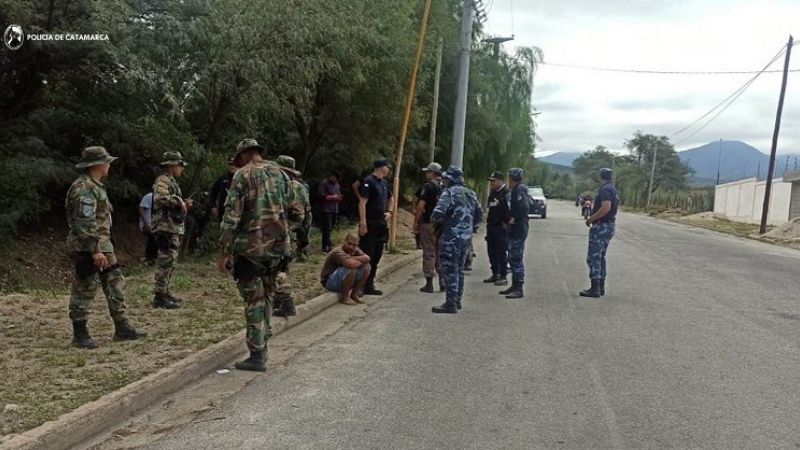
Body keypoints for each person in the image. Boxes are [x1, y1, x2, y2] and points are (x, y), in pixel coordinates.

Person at [217, 138, 304, 372]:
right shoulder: (282, 174)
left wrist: (224, 251)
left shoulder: (242, 176)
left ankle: (257, 354)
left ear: (243, 155)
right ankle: (263, 344)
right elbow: (298, 212)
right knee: (267, 296)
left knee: (254, 300)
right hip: (278, 250)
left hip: (250, 249)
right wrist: (282, 231)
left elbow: (231, 217)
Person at [65, 146, 147, 348]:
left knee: (115, 283)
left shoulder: (96, 186)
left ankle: (122, 326)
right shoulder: (84, 188)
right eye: (107, 162)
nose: (109, 165)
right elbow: (84, 222)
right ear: (99, 164)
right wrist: (95, 250)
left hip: (103, 246)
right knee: (85, 287)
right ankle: (80, 333)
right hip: (88, 247)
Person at [430, 167, 481, 314]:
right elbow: (479, 214)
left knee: (449, 269)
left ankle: (450, 303)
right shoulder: (471, 193)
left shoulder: (449, 192)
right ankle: (457, 300)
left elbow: (438, 212)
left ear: (450, 179)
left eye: (446, 178)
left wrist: (437, 223)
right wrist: (472, 228)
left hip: (450, 236)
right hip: (466, 238)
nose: (444, 181)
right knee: (459, 269)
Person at [151, 151, 193, 309]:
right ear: (171, 165)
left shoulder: (171, 181)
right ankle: (159, 295)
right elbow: (160, 198)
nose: (181, 168)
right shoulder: (162, 180)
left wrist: (183, 205)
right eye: (179, 164)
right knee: (166, 260)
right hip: (164, 227)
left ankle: (165, 291)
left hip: (171, 226)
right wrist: (178, 201)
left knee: (170, 260)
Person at [272, 155, 312, 318]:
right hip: (288, 233)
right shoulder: (300, 187)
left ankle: (286, 302)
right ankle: (279, 302)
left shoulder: (277, 185)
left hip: (275, 233)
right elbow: (303, 213)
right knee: (283, 268)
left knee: (276, 270)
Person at [580, 168, 619, 298]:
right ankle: (600, 286)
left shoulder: (605, 190)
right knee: (600, 256)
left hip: (602, 225)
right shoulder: (612, 188)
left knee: (594, 257)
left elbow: (606, 207)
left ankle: (595, 288)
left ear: (601, 176)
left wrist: (591, 219)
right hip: (609, 225)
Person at [358, 157, 393, 296]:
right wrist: (363, 222)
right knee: (367, 254)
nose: (388, 169)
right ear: (381, 167)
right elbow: (362, 203)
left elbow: (391, 198)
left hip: (381, 224)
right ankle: (359, 285)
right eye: (387, 167)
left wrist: (389, 212)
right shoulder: (369, 182)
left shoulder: (384, 183)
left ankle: (369, 284)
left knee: (377, 255)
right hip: (370, 223)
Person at [499, 167, 529, 299]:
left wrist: (514, 218)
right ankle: (514, 285)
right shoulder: (515, 190)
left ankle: (518, 288)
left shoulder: (519, 190)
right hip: (515, 230)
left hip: (518, 229)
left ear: (511, 178)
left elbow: (524, 206)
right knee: (512, 257)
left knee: (516, 259)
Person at [320, 232, 371, 305]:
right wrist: (358, 261)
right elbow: (351, 265)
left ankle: (354, 294)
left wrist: (351, 258)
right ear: (344, 241)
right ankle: (345, 297)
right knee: (350, 268)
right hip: (329, 281)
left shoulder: (355, 250)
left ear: (357, 245)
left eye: (354, 245)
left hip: (341, 278)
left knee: (367, 267)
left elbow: (367, 258)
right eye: (349, 243)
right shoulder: (337, 252)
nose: (351, 247)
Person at [414, 162, 443, 293]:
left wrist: (416, 222)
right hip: (441, 224)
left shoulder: (428, 186)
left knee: (429, 252)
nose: (426, 174)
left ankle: (429, 283)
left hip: (429, 222)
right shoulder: (445, 187)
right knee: (440, 251)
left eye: (427, 172)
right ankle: (443, 281)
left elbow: (420, 206)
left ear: (432, 172)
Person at [484, 171, 511, 286]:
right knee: (492, 251)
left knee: (501, 252)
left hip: (501, 228)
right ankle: (495, 273)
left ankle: (503, 275)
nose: (492, 184)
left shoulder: (506, 193)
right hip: (492, 227)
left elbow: (511, 210)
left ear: (500, 181)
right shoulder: (493, 194)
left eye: (493, 181)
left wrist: (507, 223)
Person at [318, 171, 343, 253]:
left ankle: (328, 244)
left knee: (331, 228)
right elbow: (320, 195)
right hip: (326, 209)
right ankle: (326, 246)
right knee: (327, 228)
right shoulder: (324, 183)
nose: (336, 181)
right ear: (332, 176)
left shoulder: (337, 184)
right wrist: (332, 197)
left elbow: (338, 194)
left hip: (334, 209)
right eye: (336, 179)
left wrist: (339, 197)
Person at [138, 192, 157, 265]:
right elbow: (141, 208)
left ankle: (155, 258)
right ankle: (149, 258)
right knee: (153, 234)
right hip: (146, 223)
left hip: (157, 225)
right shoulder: (149, 196)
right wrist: (146, 224)